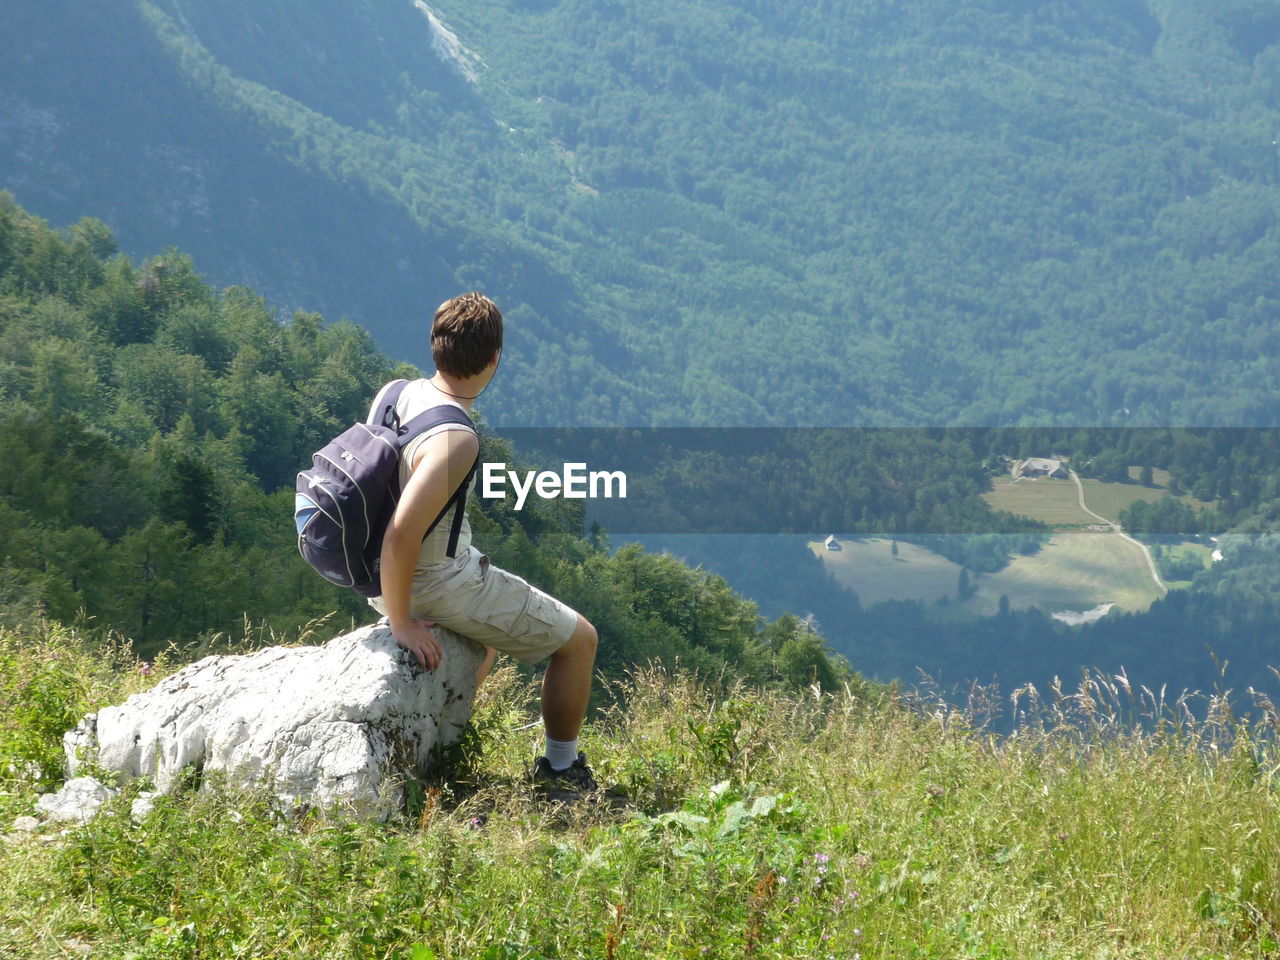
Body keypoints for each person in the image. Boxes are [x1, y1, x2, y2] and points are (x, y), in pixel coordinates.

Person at [367, 292, 600, 795]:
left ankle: (444, 741)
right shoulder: (457, 436)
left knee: (484, 645)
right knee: (580, 642)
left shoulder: (396, 393)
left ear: (434, 346)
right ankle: (562, 769)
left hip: (375, 569)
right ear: (494, 360)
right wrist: (402, 620)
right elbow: (404, 532)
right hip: (430, 580)